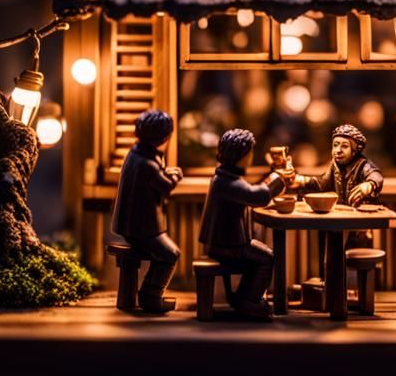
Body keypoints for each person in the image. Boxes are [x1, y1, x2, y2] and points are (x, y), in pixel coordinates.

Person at [198, 127, 287, 320]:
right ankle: (248, 299)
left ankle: (245, 297)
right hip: (227, 246)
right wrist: (278, 178)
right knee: (266, 257)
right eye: (249, 152)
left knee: (261, 253)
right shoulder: (227, 182)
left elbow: (252, 190)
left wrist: (273, 175)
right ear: (241, 154)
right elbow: (259, 195)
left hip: (226, 242)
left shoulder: (225, 177)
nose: (251, 156)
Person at [110, 109, 183, 314]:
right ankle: (151, 295)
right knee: (171, 253)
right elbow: (166, 187)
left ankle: (149, 292)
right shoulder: (147, 163)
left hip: (132, 224)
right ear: (163, 137)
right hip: (140, 229)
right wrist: (176, 175)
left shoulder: (137, 154)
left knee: (168, 252)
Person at [293, 124, 383, 207]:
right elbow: (322, 183)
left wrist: (369, 185)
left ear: (354, 150)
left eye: (344, 146)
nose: (338, 150)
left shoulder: (362, 164)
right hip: (343, 211)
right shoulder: (335, 165)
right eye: (335, 145)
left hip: (362, 213)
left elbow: (376, 175)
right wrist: (302, 180)